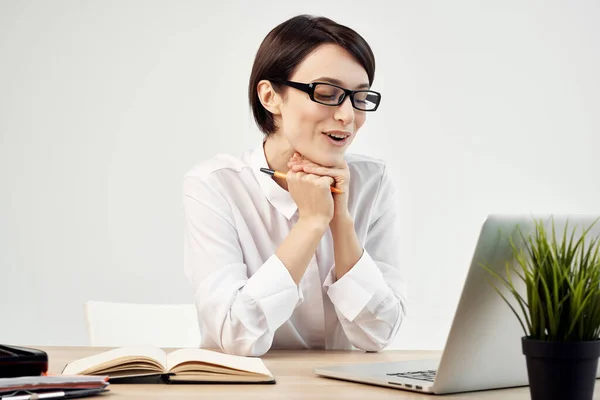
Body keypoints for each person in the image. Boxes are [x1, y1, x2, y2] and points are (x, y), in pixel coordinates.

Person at [183, 14, 407, 357]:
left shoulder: (371, 183)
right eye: (327, 93)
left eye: (359, 97)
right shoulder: (216, 186)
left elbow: (378, 334)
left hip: (342, 389)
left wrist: (340, 221)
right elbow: (237, 336)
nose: (348, 116)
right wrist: (312, 222)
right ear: (271, 96)